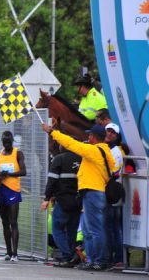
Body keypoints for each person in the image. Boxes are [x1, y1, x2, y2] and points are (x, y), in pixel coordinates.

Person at [42, 122, 115, 271]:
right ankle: (92, 260)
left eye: (89, 135)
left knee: (94, 230)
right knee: (88, 230)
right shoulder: (103, 152)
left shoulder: (94, 151)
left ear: (94, 137)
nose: (87, 137)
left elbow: (71, 144)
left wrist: (52, 132)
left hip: (93, 192)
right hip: (91, 193)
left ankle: (99, 261)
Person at [41, 143, 81, 268]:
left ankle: (67, 256)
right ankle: (72, 256)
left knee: (57, 229)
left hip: (63, 200)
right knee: (72, 231)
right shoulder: (81, 159)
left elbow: (52, 180)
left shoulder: (59, 159)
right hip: (78, 200)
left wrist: (47, 197)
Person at [98, 110, 125, 267]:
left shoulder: (115, 151)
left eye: (112, 132)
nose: (109, 133)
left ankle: (117, 258)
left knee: (112, 226)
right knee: (109, 226)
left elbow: (113, 173)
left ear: (117, 136)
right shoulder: (106, 148)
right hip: (107, 191)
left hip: (112, 192)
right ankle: (113, 257)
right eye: (107, 130)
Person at [0, 130, 26, 261]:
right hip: (2, 189)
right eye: (4, 142)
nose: (7, 144)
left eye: (9, 142)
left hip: (13, 190)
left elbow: (23, 171)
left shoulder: (17, 153)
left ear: (12, 141)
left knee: (13, 222)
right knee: (4, 222)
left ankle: (15, 254)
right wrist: (0, 177)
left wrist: (9, 174)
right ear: (2, 141)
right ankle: (8, 252)